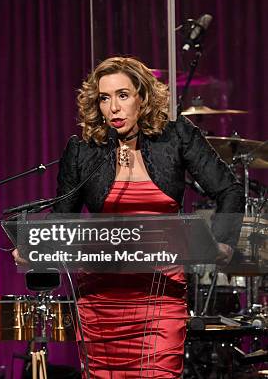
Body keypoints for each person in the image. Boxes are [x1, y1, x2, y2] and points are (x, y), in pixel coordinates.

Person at [15, 56, 243, 378]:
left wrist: (222, 245)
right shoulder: (83, 150)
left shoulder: (176, 138)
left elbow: (230, 190)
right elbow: (61, 218)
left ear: (143, 97)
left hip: (160, 296)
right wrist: (32, 251)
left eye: (123, 95)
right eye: (105, 98)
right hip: (100, 300)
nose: (114, 108)